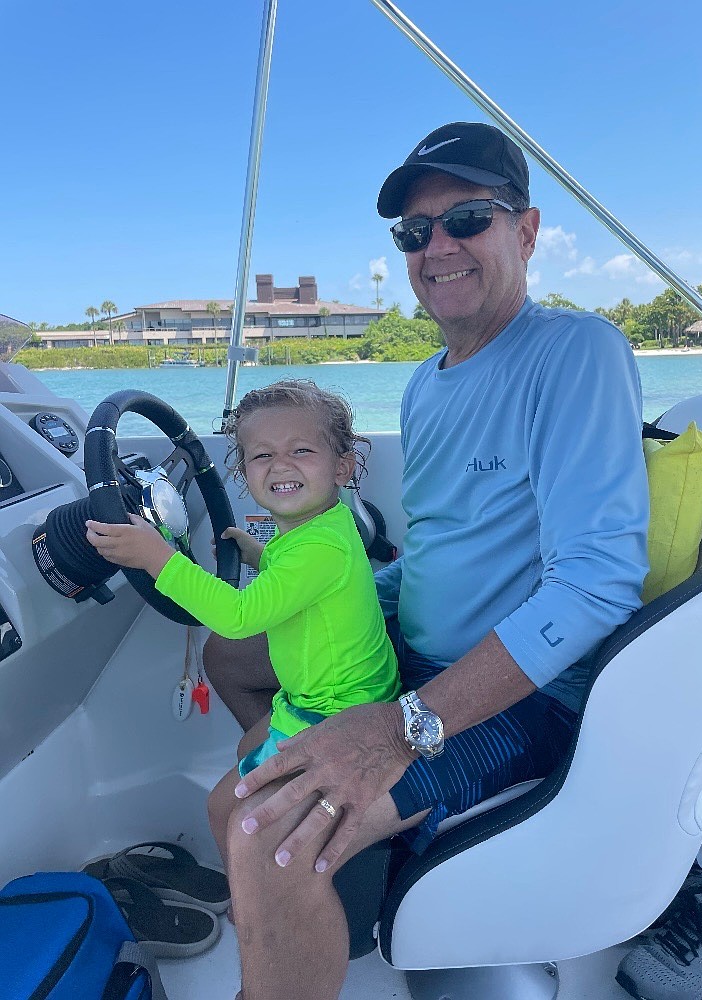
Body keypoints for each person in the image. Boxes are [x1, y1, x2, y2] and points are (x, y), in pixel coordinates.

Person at [191, 122, 652, 1000]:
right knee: (231, 656)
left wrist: (399, 728)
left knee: (261, 826)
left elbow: (596, 583)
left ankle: (320, 857)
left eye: (466, 218)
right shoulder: (425, 382)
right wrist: (351, 593)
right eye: (414, 231)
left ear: (525, 230)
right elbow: (440, 546)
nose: (436, 247)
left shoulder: (574, 352)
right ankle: (341, 871)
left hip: (528, 694)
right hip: (413, 649)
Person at [85, 378, 401, 873]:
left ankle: (253, 895)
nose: (280, 465)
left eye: (301, 450)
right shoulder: (323, 526)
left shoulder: (319, 547)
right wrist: (257, 555)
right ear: (244, 470)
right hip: (343, 695)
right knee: (246, 747)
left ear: (343, 466)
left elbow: (237, 618)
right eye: (262, 455)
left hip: (336, 714)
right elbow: (295, 574)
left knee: (223, 808)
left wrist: (157, 556)